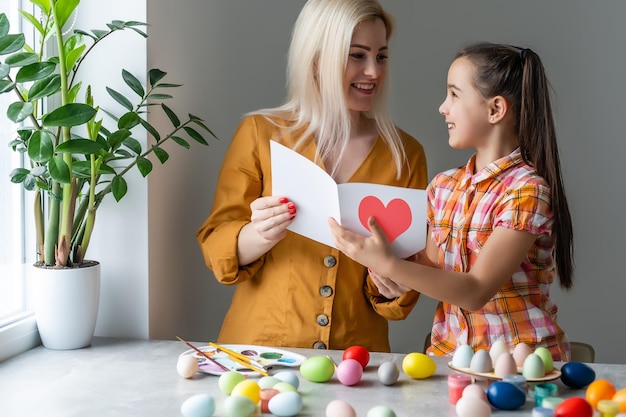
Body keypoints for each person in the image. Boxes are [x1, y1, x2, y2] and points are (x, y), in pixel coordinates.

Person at [196, 0, 428, 352]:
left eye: (381, 56)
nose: (374, 72)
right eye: (357, 55)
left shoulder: (405, 155)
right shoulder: (260, 133)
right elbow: (217, 245)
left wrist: (394, 282)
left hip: (357, 362)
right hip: (258, 355)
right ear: (317, 59)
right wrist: (256, 234)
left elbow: (406, 279)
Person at [329, 42, 574, 360]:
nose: (443, 107)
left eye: (454, 95)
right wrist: (395, 276)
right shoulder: (443, 187)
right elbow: (432, 271)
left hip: (520, 364)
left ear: (495, 110)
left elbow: (475, 291)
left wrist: (387, 263)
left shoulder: (527, 192)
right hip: (450, 359)